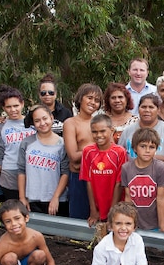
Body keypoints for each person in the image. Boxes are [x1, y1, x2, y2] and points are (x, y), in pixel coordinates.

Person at [18, 105, 70, 216]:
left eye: (45, 118)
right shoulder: (27, 143)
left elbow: (65, 173)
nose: (42, 123)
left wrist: (56, 197)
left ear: (51, 118)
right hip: (33, 199)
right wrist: (22, 197)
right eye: (37, 121)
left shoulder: (63, 144)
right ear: (33, 123)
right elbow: (21, 171)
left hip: (56, 200)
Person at [0, 85, 35, 202]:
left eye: (16, 106)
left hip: (33, 174)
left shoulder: (34, 123)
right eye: (8, 107)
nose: (13, 110)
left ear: (22, 104)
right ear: (3, 108)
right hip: (10, 177)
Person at [121, 128, 164, 232]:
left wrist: (162, 226)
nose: (147, 150)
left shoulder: (161, 168)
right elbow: (128, 198)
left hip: (157, 223)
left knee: (157, 248)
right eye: (143, 146)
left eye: (152, 147)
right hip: (136, 223)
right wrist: (128, 222)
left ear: (156, 148)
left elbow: (162, 198)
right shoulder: (126, 168)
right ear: (135, 148)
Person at [63, 83, 103, 219]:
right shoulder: (71, 123)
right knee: (79, 219)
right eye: (90, 98)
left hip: (100, 176)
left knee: (100, 217)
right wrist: (98, 148)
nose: (93, 102)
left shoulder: (100, 123)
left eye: (97, 100)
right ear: (80, 99)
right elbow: (73, 156)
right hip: (79, 178)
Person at [81, 113, 127, 226]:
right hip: (97, 206)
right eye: (94, 132)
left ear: (111, 130)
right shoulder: (88, 151)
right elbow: (88, 181)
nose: (98, 135)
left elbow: (119, 183)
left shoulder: (120, 152)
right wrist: (93, 209)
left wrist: (113, 209)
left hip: (115, 205)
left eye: (102, 131)